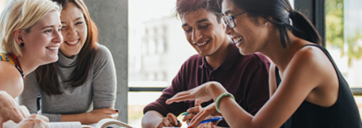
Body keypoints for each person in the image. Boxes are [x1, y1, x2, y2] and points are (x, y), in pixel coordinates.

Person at [167, 0, 362, 127]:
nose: (226, 30)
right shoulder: (275, 68)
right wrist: (221, 112)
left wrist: (215, 90)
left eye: (231, 19)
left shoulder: (307, 59)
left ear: (265, 18)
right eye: (224, 20)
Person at [141, 0, 271, 127]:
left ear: (224, 22)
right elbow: (151, 113)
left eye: (204, 26)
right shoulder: (191, 66)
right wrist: (159, 123)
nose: (195, 37)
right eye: (188, 29)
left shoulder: (256, 65)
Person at [18, 0, 118, 124]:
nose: (73, 33)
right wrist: (88, 117)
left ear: (87, 22)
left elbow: (104, 118)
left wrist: (92, 118)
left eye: (79, 23)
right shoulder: (36, 58)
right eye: (62, 27)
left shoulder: (100, 56)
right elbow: (28, 119)